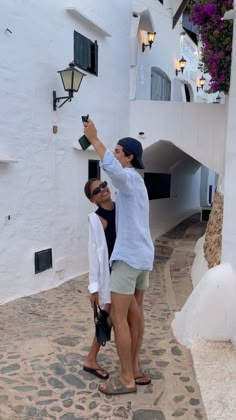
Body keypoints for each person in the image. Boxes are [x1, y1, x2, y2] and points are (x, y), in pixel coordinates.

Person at [83, 120, 154, 395]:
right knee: (136, 317)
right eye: (96, 189)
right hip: (142, 258)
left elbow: (112, 168)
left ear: (129, 157)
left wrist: (94, 138)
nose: (113, 155)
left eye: (117, 151)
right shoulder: (136, 185)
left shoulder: (129, 179)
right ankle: (134, 369)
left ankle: (126, 379)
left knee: (120, 319)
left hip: (127, 260)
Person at [83, 178, 115, 380]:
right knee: (107, 317)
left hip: (126, 270)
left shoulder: (123, 208)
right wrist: (94, 288)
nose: (102, 190)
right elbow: (93, 255)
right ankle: (91, 359)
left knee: (112, 316)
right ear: (93, 199)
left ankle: (91, 358)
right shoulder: (96, 220)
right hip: (111, 276)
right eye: (96, 191)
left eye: (102, 185)